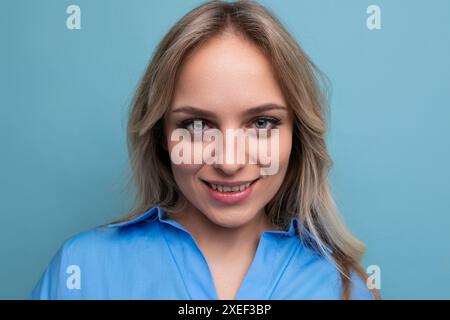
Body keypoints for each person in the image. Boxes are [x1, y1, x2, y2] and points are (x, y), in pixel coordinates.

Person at [29, 0, 380, 300]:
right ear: (161, 136)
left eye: (262, 123)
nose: (228, 161)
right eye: (196, 125)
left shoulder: (345, 288)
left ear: (297, 137)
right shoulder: (80, 270)